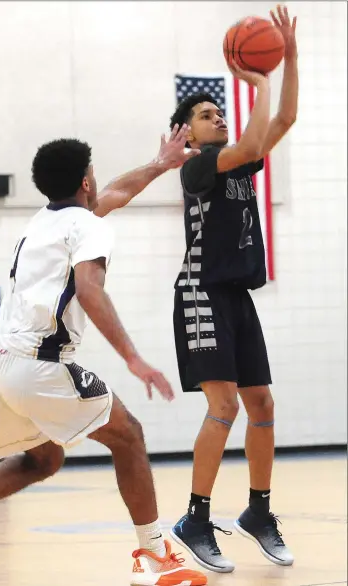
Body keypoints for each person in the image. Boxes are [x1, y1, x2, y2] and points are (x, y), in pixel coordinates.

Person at [0, 126, 208, 586]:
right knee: (129, 436)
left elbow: (118, 191)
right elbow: (89, 290)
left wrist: (160, 164)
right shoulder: (88, 226)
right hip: (39, 365)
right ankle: (154, 555)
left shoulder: (45, 221)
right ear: (85, 182)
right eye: (94, 174)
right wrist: (134, 358)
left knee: (44, 460)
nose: (100, 182)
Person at [167, 6, 299, 574]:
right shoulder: (198, 165)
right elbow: (248, 143)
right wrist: (259, 82)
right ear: (185, 133)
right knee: (223, 405)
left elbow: (284, 122)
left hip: (235, 295)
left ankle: (258, 512)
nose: (217, 117)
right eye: (205, 113)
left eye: (219, 111)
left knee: (262, 404)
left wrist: (288, 59)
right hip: (201, 291)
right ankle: (196, 517)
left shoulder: (237, 165)